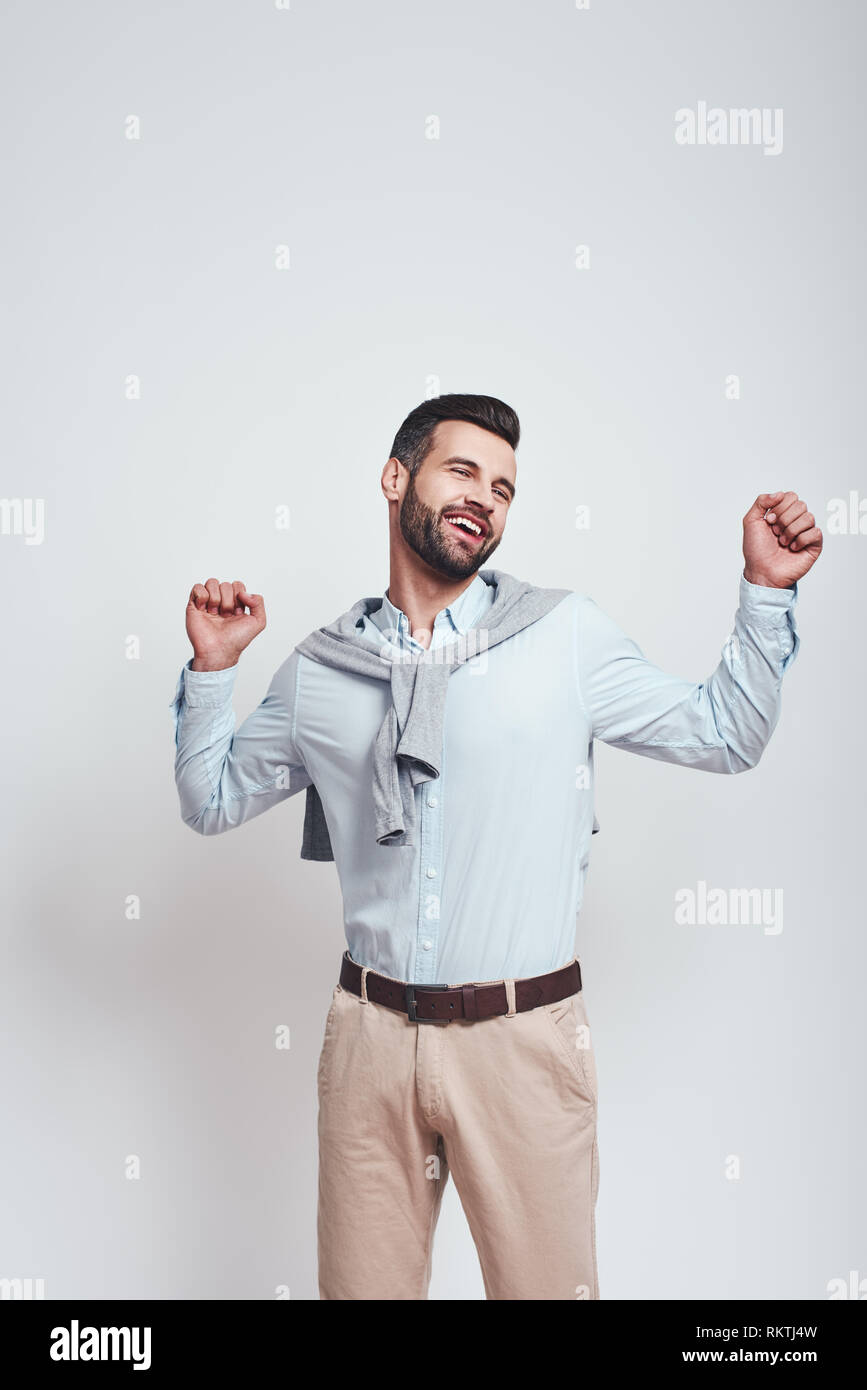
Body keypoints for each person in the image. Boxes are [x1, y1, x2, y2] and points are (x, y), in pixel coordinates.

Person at [170, 393, 821, 1300]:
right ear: (396, 478)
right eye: (462, 471)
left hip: (522, 1040)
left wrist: (765, 590)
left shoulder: (563, 636)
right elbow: (210, 800)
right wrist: (213, 669)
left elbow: (725, 733)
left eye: (504, 488)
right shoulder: (323, 668)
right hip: (370, 1042)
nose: (485, 497)